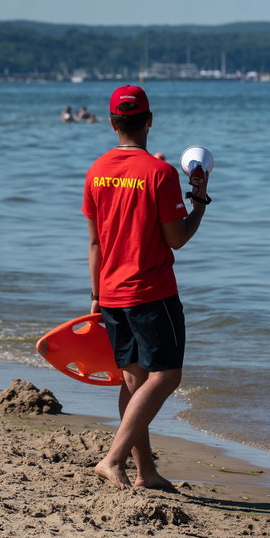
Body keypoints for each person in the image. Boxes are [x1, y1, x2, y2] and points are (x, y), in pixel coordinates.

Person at [82, 85, 211, 491]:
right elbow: (177, 238)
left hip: (111, 293)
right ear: (149, 120)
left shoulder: (96, 170)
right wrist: (200, 202)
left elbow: (95, 242)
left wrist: (95, 297)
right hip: (151, 292)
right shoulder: (159, 173)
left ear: (111, 122)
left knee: (134, 381)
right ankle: (112, 459)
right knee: (166, 377)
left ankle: (146, 473)